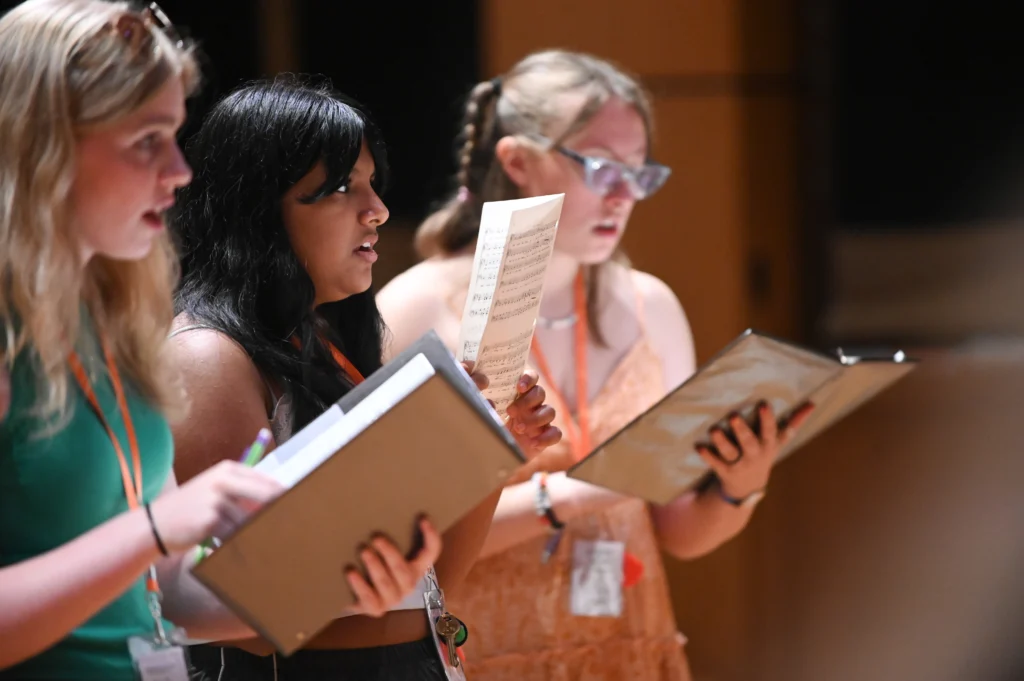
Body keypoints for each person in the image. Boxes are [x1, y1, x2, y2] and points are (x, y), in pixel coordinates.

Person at [377, 49, 815, 681]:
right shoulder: (419, 308)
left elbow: (681, 533)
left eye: (640, 175)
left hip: (629, 651)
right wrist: (585, 492)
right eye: (603, 169)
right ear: (518, 161)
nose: (624, 197)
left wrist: (740, 482)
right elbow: (407, 543)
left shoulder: (650, 306)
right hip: (486, 658)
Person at [168, 76, 560, 680]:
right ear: (260, 207)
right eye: (342, 188)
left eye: (372, 183)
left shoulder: (327, 343)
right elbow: (230, 618)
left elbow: (429, 591)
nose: (376, 208)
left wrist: (489, 455)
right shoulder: (209, 358)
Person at [0, 2, 289, 678]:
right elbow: (148, 543)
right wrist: (159, 525)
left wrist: (339, 570)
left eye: (177, 134)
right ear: (41, 148)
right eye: (146, 140)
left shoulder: (108, 313)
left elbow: (163, 593)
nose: (181, 171)